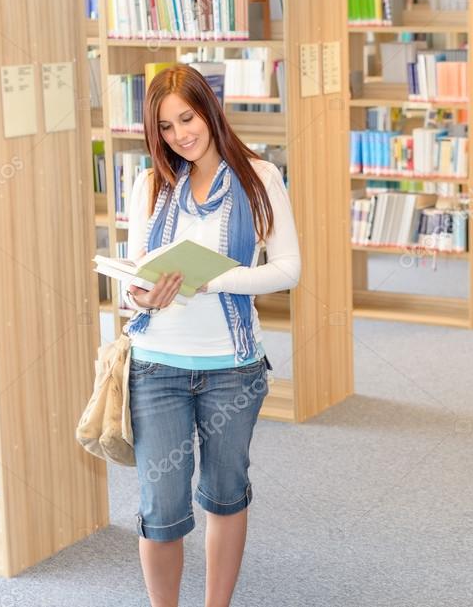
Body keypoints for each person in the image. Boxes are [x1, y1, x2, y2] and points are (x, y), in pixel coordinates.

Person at [124, 64, 300, 607]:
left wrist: (212, 279)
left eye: (187, 118)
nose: (180, 135)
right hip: (156, 366)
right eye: (166, 126)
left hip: (233, 369)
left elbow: (288, 270)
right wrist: (142, 295)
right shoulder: (149, 184)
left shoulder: (259, 178)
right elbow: (135, 277)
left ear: (209, 110)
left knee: (226, 495)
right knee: (161, 509)